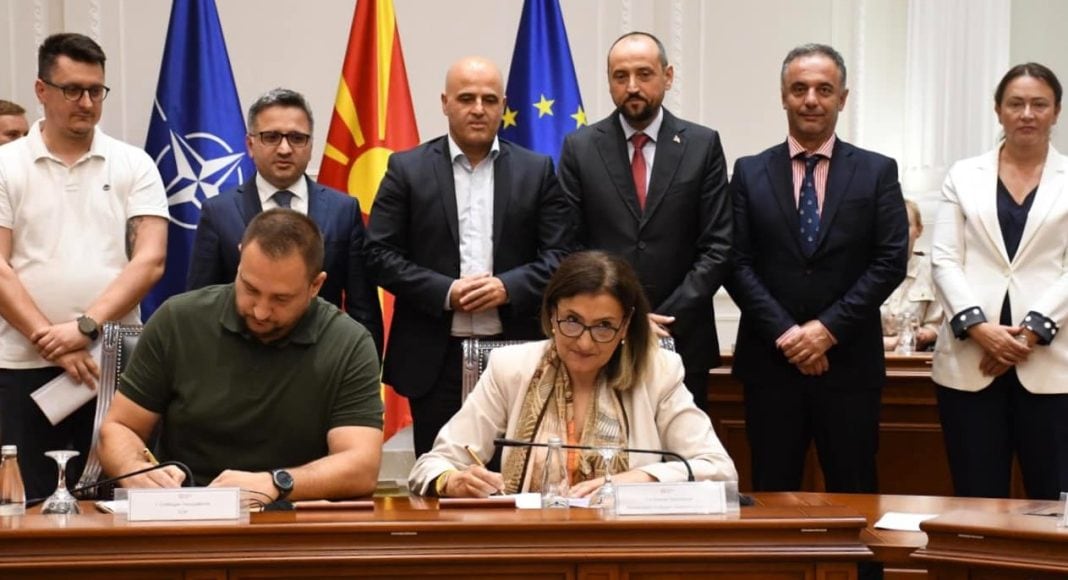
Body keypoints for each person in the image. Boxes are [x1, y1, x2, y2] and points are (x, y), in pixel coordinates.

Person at [99, 209, 383, 501]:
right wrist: (135, 470)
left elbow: (361, 467)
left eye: (281, 298)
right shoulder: (178, 320)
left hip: (292, 512)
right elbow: (119, 427)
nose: (260, 311)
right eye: (250, 288)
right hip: (186, 507)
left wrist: (276, 483)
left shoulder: (349, 343)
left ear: (315, 285)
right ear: (239, 259)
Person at [365, 56, 572, 457]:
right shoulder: (407, 170)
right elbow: (378, 254)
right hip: (435, 358)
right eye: (466, 98)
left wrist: (507, 287)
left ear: (503, 105)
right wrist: (446, 292)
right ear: (445, 103)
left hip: (515, 355)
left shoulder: (536, 171)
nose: (478, 109)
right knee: (441, 474)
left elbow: (562, 256)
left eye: (489, 99)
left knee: (513, 477)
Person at [725, 43, 908, 493]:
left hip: (849, 365)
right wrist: (789, 335)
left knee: (855, 492)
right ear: (783, 96)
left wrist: (826, 331)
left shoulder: (877, 171)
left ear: (842, 98)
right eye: (799, 88)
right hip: (771, 365)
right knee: (771, 492)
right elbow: (734, 261)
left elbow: (889, 261)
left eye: (824, 89)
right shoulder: (749, 172)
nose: (811, 99)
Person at [409, 251, 737, 497]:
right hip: (528, 543)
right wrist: (452, 480)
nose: (584, 342)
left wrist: (641, 479)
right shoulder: (510, 367)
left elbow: (719, 471)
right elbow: (432, 465)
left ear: (625, 325)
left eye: (604, 326)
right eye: (572, 321)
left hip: (627, 545)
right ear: (552, 314)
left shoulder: (657, 371)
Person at [0, 33, 168, 500]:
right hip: (23, 363)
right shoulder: (6, 164)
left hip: (113, 364)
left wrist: (85, 327)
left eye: (96, 90)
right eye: (73, 90)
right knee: (26, 503)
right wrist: (52, 341)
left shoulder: (134, 163)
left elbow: (151, 259)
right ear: (41, 90)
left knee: (118, 500)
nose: (87, 103)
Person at [558, 32, 731, 411]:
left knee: (680, 447)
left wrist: (665, 319)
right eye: (620, 76)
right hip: (602, 338)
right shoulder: (580, 147)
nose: (632, 86)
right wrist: (621, 318)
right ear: (609, 82)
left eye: (644, 74)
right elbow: (569, 246)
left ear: (667, 76)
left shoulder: (702, 145)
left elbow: (718, 246)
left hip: (683, 338)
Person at [932, 63, 1068, 499]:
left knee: (1054, 501)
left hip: (1052, 364)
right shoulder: (963, 175)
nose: (1027, 113)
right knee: (976, 498)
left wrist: (1029, 334)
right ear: (998, 110)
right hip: (971, 358)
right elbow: (944, 259)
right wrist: (980, 329)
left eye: (1039, 104)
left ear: (1056, 111)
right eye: (1016, 103)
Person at [187, 88, 383, 355]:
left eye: (297, 138)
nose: (284, 149)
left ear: (310, 146)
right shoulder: (218, 212)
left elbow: (364, 309)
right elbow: (200, 307)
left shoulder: (343, 210)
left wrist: (365, 366)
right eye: (271, 137)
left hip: (321, 364)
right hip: (240, 362)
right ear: (250, 145)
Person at [881, 199, 942, 351]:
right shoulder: (863, 271)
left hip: (915, 358)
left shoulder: (933, 273)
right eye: (891, 225)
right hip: (870, 357)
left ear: (919, 230)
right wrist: (892, 343)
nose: (898, 232)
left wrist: (925, 334)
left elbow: (937, 325)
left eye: (905, 225)